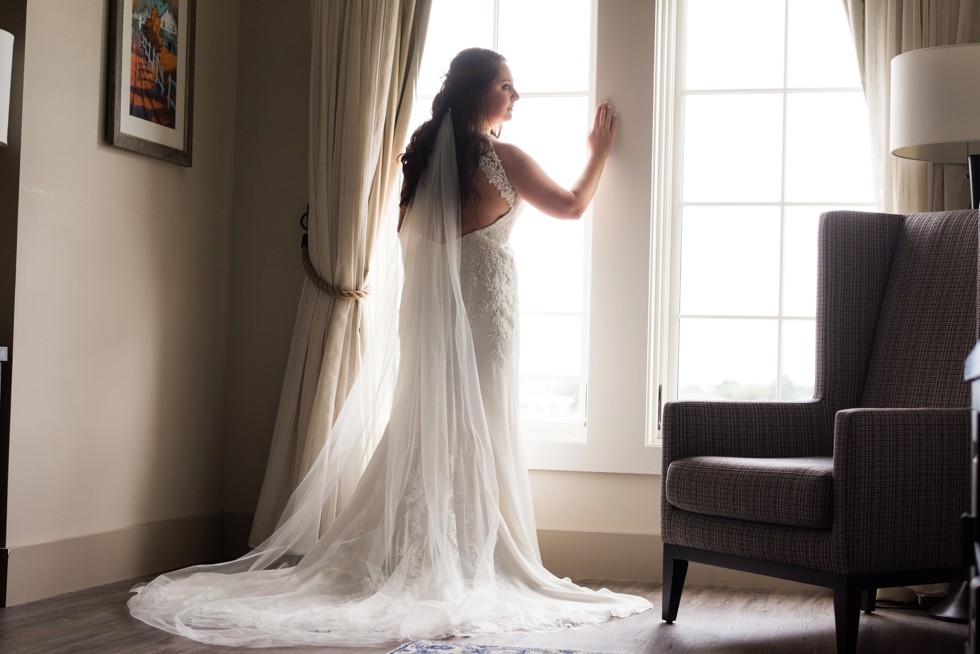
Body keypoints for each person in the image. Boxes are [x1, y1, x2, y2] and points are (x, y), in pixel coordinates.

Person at [128, 47, 652, 648]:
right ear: (478, 93)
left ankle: (416, 546)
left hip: (429, 320)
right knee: (480, 426)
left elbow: (412, 240)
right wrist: (599, 153)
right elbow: (573, 205)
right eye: (507, 86)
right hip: (487, 318)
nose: (515, 98)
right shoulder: (500, 158)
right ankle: (455, 555)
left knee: (428, 422)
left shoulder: (424, 162)